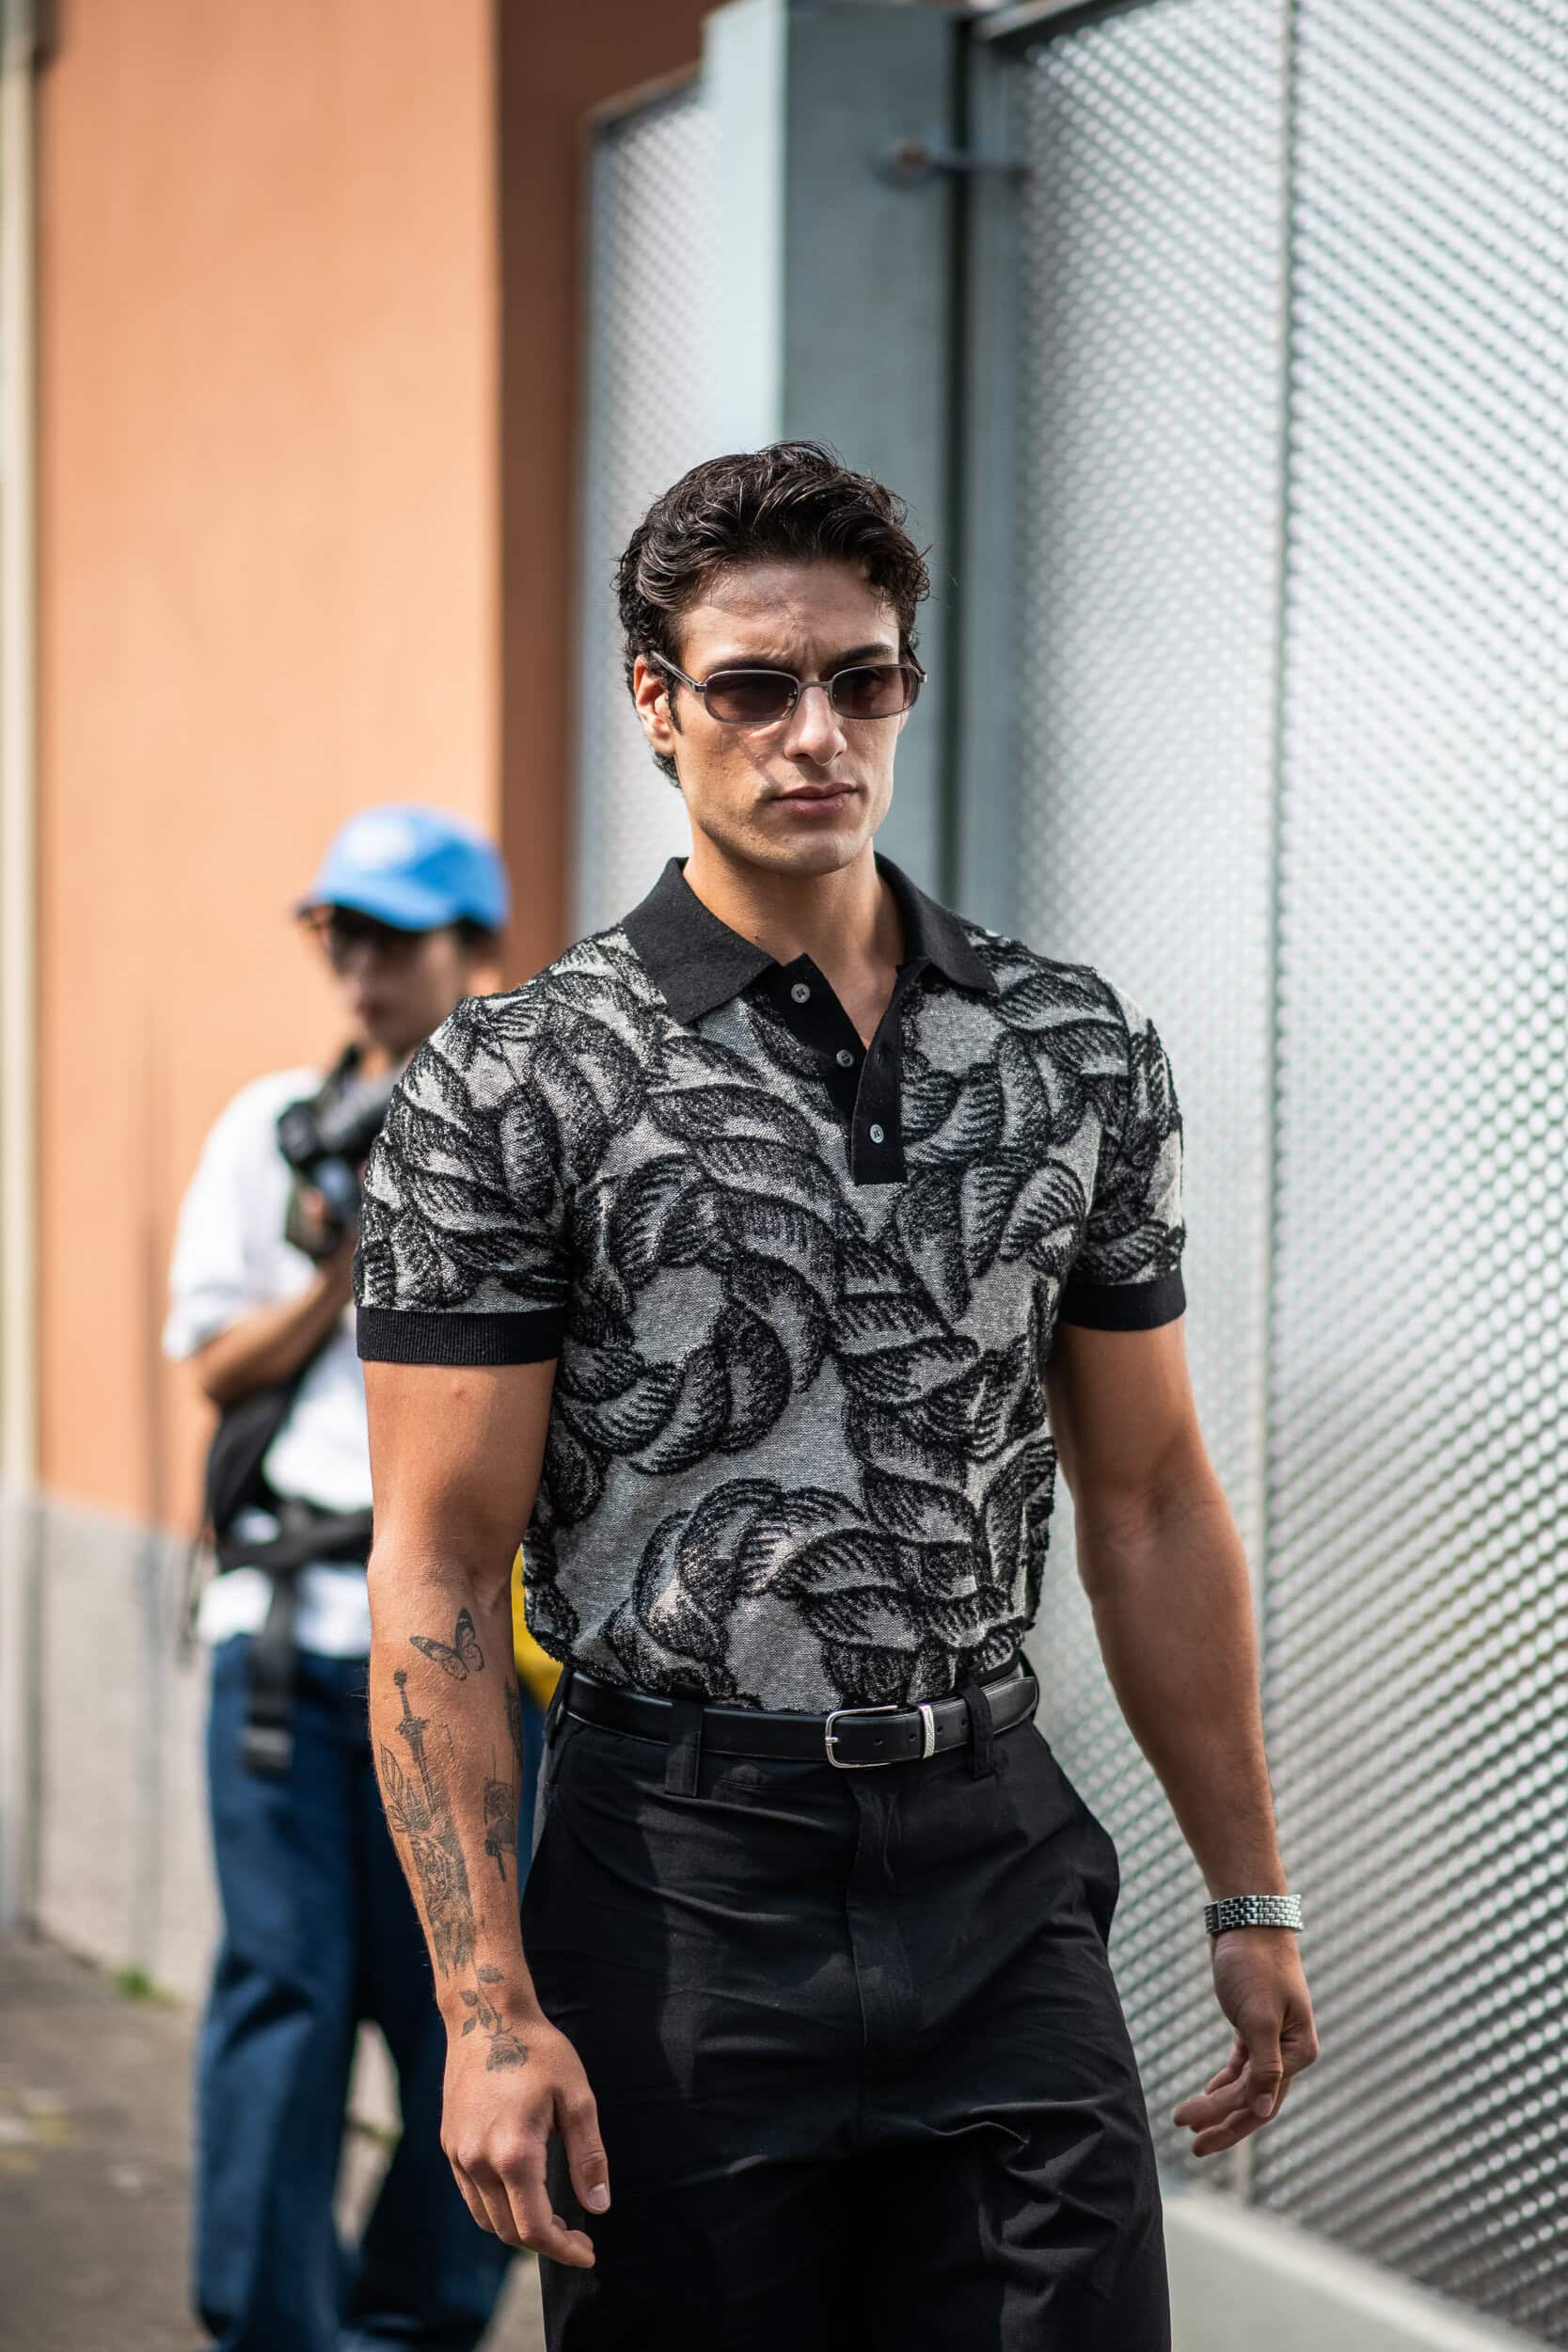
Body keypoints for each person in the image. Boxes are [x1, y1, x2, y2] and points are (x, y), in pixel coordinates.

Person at [352, 443, 1321, 2352]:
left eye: (861, 678)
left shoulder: (1067, 1046)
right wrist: (487, 2005)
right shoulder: (513, 1079)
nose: (816, 733)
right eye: (753, 686)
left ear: (906, 684)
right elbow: (440, 1566)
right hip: (676, 1875)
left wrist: (1252, 1890)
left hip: (995, 1859)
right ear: (657, 702)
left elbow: (1147, 1497)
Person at [164, 803, 544, 2352]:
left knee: (479, 2006)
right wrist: (344, 1266)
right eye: (343, 937)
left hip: (467, 1664)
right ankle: (270, 2330)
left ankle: (412, 2325)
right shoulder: (274, 1131)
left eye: (395, 939)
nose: (364, 970)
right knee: (284, 2000)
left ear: (474, 950)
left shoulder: (532, 1138)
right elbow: (213, 1366)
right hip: (286, 1644)